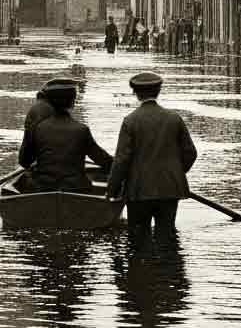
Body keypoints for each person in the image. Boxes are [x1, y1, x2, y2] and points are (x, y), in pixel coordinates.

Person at [106, 72, 197, 240]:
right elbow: (190, 153)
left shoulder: (130, 121)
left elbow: (122, 160)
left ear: (135, 93)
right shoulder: (174, 118)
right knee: (167, 235)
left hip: (138, 190)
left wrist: (112, 190)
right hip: (170, 189)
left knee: (138, 238)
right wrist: (175, 172)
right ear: (159, 91)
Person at [18, 78, 113, 192]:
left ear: (49, 102)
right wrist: (122, 166)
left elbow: (24, 161)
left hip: (43, 187)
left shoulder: (37, 128)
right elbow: (103, 160)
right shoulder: (81, 130)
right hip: (76, 188)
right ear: (72, 103)